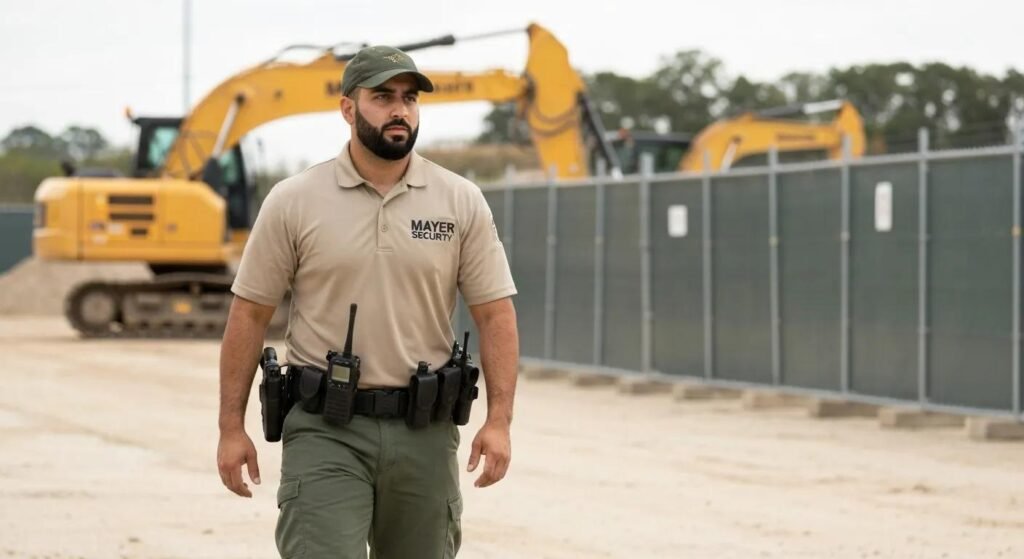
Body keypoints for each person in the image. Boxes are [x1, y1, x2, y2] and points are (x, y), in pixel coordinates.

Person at [216, 44, 520, 558]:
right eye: (382, 97)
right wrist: (230, 427)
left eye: (409, 98)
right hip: (325, 430)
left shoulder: (458, 200)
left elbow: (496, 315)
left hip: (425, 432)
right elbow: (249, 313)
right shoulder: (294, 200)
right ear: (348, 108)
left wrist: (499, 421)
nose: (399, 110)